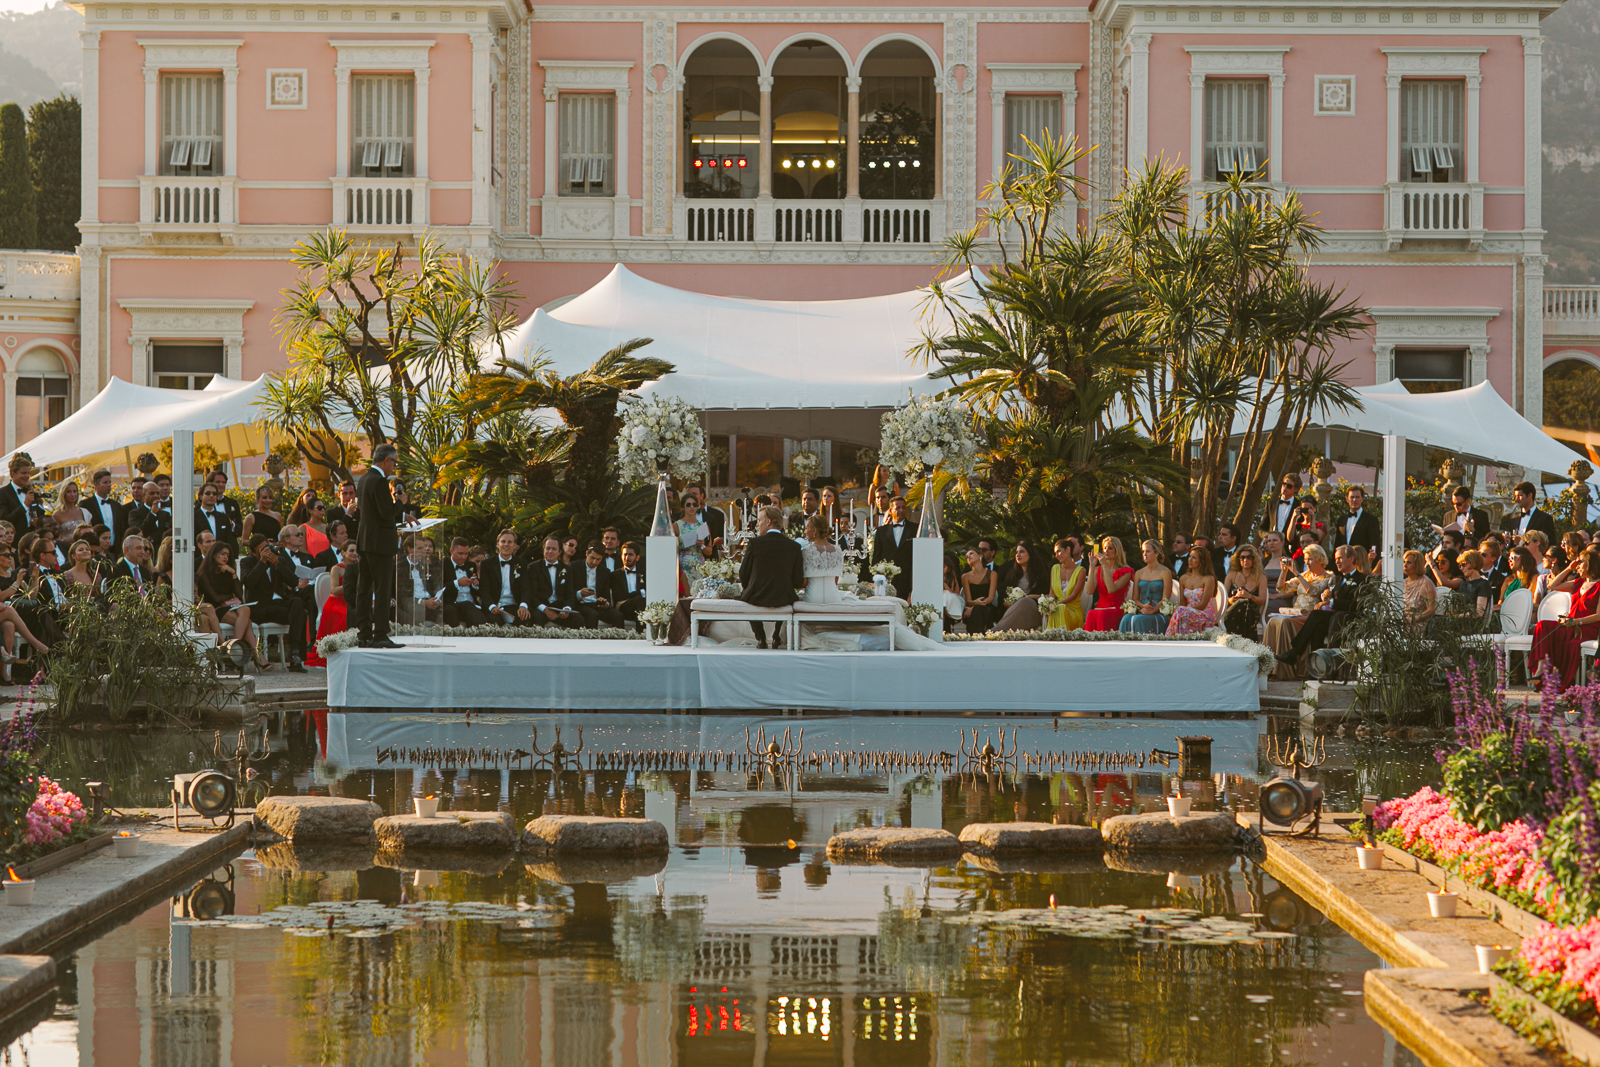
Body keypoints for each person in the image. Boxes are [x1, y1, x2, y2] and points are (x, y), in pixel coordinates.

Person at [1277, 544, 1369, 668]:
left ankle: (1296, 654)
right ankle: (1318, 667)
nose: (1336, 561)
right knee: (1318, 625)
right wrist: (1326, 599)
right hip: (1335, 616)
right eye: (1336, 559)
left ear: (1351, 559)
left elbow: (1358, 604)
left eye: (1340, 558)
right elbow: (1333, 599)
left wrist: (1332, 602)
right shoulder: (1338, 579)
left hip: (1349, 619)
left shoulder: (1363, 579)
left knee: (1321, 616)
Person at [350, 443, 403, 650]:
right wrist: (400, 503)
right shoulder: (379, 481)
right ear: (387, 460)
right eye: (395, 463)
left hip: (365, 541)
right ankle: (380, 634)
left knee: (364, 588)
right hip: (380, 543)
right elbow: (385, 512)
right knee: (382, 589)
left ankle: (364, 633)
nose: (394, 467)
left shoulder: (363, 479)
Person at [1529, 545, 1600, 688]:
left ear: (1590, 564)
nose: (1578, 566)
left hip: (1585, 628)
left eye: (1581, 563)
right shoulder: (1578, 583)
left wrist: (1577, 621)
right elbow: (1553, 586)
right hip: (1569, 624)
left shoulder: (1598, 585)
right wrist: (1569, 568)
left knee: (1572, 644)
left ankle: (1564, 683)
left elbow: (1598, 616)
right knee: (1543, 625)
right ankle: (1542, 666)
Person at [738, 504, 804, 649]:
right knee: (787, 595)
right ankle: (776, 635)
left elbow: (743, 573)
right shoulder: (794, 546)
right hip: (784, 596)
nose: (757, 525)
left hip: (757, 596)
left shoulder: (755, 543)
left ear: (768, 522)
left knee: (746, 594)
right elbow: (798, 580)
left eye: (759, 520)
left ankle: (760, 638)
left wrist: (749, 586)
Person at [241, 534, 308, 671]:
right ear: (254, 552)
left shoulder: (278, 559)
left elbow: (294, 582)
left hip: (279, 605)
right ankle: (296, 656)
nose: (267, 552)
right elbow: (248, 582)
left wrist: (277, 564)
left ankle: (294, 651)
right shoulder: (247, 562)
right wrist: (262, 562)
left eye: (267, 547)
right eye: (262, 550)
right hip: (260, 607)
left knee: (298, 604)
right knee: (301, 613)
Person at [198, 540, 256, 663]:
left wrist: (233, 573)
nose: (226, 557)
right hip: (214, 609)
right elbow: (216, 598)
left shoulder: (228, 572)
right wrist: (231, 596)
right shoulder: (204, 574)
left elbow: (240, 595)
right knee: (247, 622)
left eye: (228, 555)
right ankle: (256, 656)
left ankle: (232, 649)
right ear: (214, 555)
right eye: (223, 554)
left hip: (229, 608)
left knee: (246, 609)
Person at [307, 542, 358, 667]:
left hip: (352, 601)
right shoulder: (337, 568)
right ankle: (338, 650)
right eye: (351, 550)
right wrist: (350, 584)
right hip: (336, 602)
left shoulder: (359, 568)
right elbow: (334, 590)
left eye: (356, 551)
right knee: (346, 614)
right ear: (343, 553)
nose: (354, 554)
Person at [1118, 540, 1174, 634]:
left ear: (1156, 553)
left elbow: (1166, 599)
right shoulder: (1139, 573)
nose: (1144, 554)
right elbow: (1135, 598)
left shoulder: (1165, 572)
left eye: (1148, 551)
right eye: (1143, 551)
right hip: (1142, 608)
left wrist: (1152, 610)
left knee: (1139, 619)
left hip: (1159, 610)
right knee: (1126, 618)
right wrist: (1142, 606)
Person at [528, 535, 583, 629]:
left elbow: (570, 594)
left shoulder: (567, 569)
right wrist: (545, 610)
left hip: (559, 608)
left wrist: (566, 609)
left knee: (579, 619)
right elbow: (532, 594)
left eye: (554, 549)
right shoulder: (533, 567)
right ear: (543, 550)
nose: (550, 551)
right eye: (548, 548)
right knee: (536, 618)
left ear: (559, 552)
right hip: (541, 607)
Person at [995, 538, 1050, 631]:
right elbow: (1002, 598)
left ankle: (995, 632)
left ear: (1031, 553)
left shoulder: (1042, 574)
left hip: (1035, 611)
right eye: (1017, 552)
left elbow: (1049, 595)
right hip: (1013, 611)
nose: (1018, 555)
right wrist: (1010, 604)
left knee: (1025, 601)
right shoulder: (1012, 574)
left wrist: (1029, 597)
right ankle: (998, 631)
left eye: (1022, 552)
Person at [480, 529, 531, 627]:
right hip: (495, 606)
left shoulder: (521, 563)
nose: (506, 544)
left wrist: (523, 606)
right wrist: (491, 606)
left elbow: (526, 588)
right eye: (503, 541)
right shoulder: (487, 564)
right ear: (498, 544)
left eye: (510, 542)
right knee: (494, 622)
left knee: (525, 619)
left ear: (515, 545)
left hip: (514, 606)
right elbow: (484, 590)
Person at [1084, 537, 1135, 631]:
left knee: (1102, 614)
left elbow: (1111, 589)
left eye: (1110, 548)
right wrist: (1092, 566)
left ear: (1117, 551)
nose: (1106, 551)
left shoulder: (1126, 571)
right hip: (1100, 608)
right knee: (1091, 613)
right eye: (1104, 548)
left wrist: (1104, 566)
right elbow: (1089, 591)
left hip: (1116, 608)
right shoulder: (1097, 570)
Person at [1166, 548, 1218, 635]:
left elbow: (1203, 605)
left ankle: (1170, 637)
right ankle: (1175, 640)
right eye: (1190, 556)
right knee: (1180, 613)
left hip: (1203, 614)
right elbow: (1182, 602)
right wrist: (1174, 612)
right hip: (1185, 614)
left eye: (1194, 557)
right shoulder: (1183, 578)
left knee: (1180, 612)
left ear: (1202, 561)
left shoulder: (1209, 579)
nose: (1190, 559)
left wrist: (1181, 611)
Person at [571, 542, 622, 628]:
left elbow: (606, 596)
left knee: (618, 616)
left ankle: (619, 639)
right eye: (592, 558)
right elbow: (567, 591)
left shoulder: (605, 572)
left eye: (598, 559)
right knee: (592, 614)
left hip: (597, 605)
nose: (594, 562)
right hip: (580, 604)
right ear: (587, 553)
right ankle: (592, 640)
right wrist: (580, 594)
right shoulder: (574, 567)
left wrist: (605, 603)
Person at [870, 498, 916, 593]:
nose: (901, 510)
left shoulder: (914, 529)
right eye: (897, 508)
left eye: (903, 507)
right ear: (891, 510)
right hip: (886, 579)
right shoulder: (881, 531)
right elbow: (877, 555)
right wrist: (875, 577)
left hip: (907, 579)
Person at [1223, 544, 1268, 639]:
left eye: (1249, 557)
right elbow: (1223, 598)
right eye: (1242, 557)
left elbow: (1262, 600)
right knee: (1241, 606)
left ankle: (1235, 640)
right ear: (1238, 559)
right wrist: (1230, 600)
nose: (1245, 560)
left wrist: (1249, 596)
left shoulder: (1261, 577)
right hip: (1232, 611)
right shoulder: (1231, 575)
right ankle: (1246, 643)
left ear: (1254, 559)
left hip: (1251, 612)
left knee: (1245, 606)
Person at [440, 538, 487, 627]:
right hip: (453, 605)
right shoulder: (443, 565)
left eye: (466, 554)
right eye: (460, 554)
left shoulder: (471, 565)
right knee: (467, 605)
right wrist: (457, 583)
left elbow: (478, 592)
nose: (464, 557)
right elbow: (439, 589)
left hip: (473, 606)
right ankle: (486, 630)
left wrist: (475, 584)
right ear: (451, 551)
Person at [397, 536, 443, 625]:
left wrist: (436, 600)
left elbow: (434, 587)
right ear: (410, 549)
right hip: (413, 603)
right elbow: (401, 594)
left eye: (424, 547)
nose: (424, 550)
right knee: (420, 611)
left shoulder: (425, 567)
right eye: (420, 548)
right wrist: (422, 602)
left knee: (449, 610)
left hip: (429, 601)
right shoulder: (399, 567)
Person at [1045, 538, 1086, 631]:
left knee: (1061, 608)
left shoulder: (1081, 571)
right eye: (1055, 553)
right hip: (1057, 608)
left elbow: (1074, 595)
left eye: (1058, 551)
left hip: (1073, 611)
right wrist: (1049, 604)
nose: (1056, 555)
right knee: (1058, 609)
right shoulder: (1054, 568)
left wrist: (1057, 604)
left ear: (1068, 550)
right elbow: (1052, 592)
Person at [80, 470, 125, 555]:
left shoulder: (116, 505)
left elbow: (120, 528)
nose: (108, 485)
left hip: (115, 550)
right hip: (95, 550)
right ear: (96, 485)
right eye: (105, 483)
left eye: (109, 482)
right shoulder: (86, 504)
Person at [0, 457, 44, 533]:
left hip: (32, 538)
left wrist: (37, 521)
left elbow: (39, 515)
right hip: (14, 539)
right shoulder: (3, 493)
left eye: (28, 473)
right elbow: (4, 520)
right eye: (23, 473)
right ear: (13, 473)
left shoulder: (29, 492)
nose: (27, 476)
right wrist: (25, 505)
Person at [960, 547, 998, 634]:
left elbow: (991, 598)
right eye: (967, 556)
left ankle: (975, 635)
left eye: (971, 553)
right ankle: (980, 634)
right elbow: (968, 601)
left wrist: (974, 606)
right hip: (971, 610)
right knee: (977, 610)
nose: (968, 556)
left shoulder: (992, 574)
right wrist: (974, 605)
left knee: (979, 609)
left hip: (988, 608)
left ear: (980, 555)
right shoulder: (965, 577)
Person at [608, 541, 647, 626]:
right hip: (624, 608)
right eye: (625, 555)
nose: (627, 557)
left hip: (639, 607)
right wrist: (641, 592)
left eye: (630, 555)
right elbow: (618, 598)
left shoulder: (643, 574)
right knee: (640, 599)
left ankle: (641, 635)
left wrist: (636, 595)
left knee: (640, 601)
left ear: (637, 557)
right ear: (621, 556)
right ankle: (641, 634)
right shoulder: (616, 575)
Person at [1332, 486, 1379, 556]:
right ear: (1347, 499)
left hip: (1362, 563)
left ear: (1362, 499)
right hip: (1344, 563)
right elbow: (1337, 544)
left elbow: (1374, 544)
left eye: (1357, 497)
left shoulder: (1371, 520)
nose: (1354, 500)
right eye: (1352, 497)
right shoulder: (1341, 520)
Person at [1451, 550, 1494, 623]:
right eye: (1460, 566)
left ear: (1473, 563)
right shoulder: (1463, 584)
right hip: (1461, 620)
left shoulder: (1483, 584)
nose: (1461, 568)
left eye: (1464, 564)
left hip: (1473, 623)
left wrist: (1457, 616)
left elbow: (1479, 613)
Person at [675, 499, 711, 583]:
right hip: (683, 563)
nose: (691, 507)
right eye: (688, 504)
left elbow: (710, 551)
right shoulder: (676, 525)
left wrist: (702, 545)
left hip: (699, 563)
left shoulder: (703, 526)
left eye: (694, 505)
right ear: (683, 507)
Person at [1401, 550, 1437, 631]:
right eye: (1404, 562)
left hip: (1417, 626)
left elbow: (1431, 610)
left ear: (1417, 565)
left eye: (1409, 563)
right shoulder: (1402, 583)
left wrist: (1411, 620)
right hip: (1401, 624)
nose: (1405, 565)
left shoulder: (1426, 583)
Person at [1263, 473, 1304, 540]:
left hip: (1289, 547)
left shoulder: (1299, 505)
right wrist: (1268, 537)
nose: (1285, 487)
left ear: (1296, 489)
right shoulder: (1271, 504)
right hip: (1272, 546)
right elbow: (1262, 527)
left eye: (1289, 486)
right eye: (1284, 484)